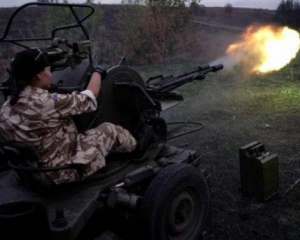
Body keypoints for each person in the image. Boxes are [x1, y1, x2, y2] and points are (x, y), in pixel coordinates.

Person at [0, 48, 138, 185]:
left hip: (30, 173)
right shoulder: (47, 102)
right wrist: (97, 73)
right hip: (61, 173)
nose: (50, 74)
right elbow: (89, 97)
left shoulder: (6, 108)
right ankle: (137, 148)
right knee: (109, 130)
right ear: (38, 75)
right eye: (48, 70)